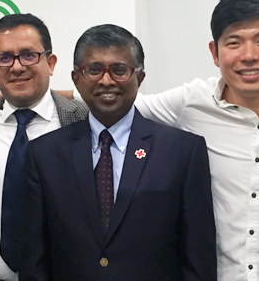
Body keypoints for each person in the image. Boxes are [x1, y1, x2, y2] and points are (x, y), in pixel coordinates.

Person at [133, 0, 259, 280]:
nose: (249, 56)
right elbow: (116, 102)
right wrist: (58, 97)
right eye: (234, 42)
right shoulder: (193, 103)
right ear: (215, 52)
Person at [17, 24, 216, 281]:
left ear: (139, 78)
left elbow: (198, 259)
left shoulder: (182, 151)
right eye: (94, 70)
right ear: (76, 78)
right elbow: (34, 260)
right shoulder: (44, 154)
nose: (106, 81)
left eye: (120, 70)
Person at [0, 14, 88, 281]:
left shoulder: (84, 120)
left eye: (29, 55)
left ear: (50, 63)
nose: (17, 67)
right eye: (5, 58)